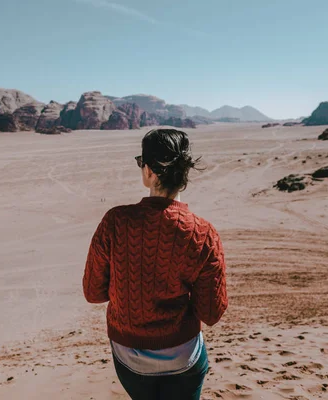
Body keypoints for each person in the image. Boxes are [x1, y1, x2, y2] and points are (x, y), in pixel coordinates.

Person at [82, 128, 228, 400]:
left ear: (148, 170)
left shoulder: (115, 222)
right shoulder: (203, 233)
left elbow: (93, 293)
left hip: (129, 355)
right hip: (182, 357)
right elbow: (211, 313)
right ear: (184, 174)